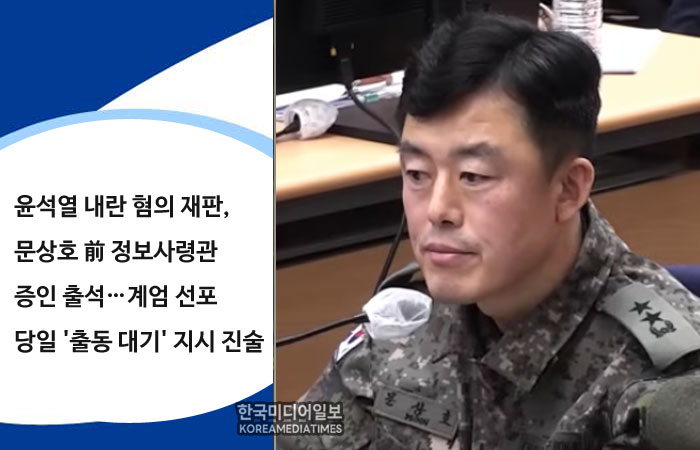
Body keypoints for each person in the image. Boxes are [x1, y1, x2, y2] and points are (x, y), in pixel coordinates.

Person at [278, 13, 700, 450]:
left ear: (567, 189)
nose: (438, 210)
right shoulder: (411, 313)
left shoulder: (659, 390)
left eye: (474, 176)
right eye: (417, 173)